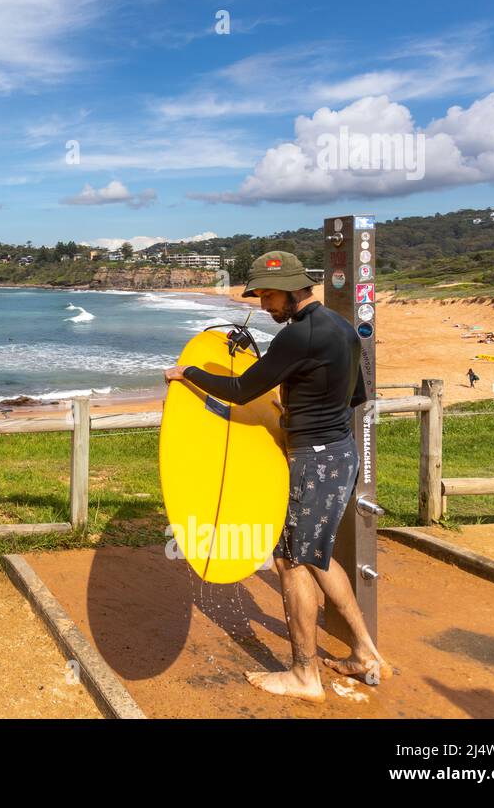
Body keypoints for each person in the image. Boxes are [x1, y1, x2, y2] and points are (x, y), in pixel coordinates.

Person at [164, 251, 388, 701]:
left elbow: (241, 388)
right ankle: (365, 653)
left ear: (289, 289)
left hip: (314, 462)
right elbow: (356, 393)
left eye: (267, 294)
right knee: (317, 555)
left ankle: (304, 675)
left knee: (291, 561)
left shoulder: (299, 336)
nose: (263, 304)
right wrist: (305, 410)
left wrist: (187, 372)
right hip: (340, 454)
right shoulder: (342, 328)